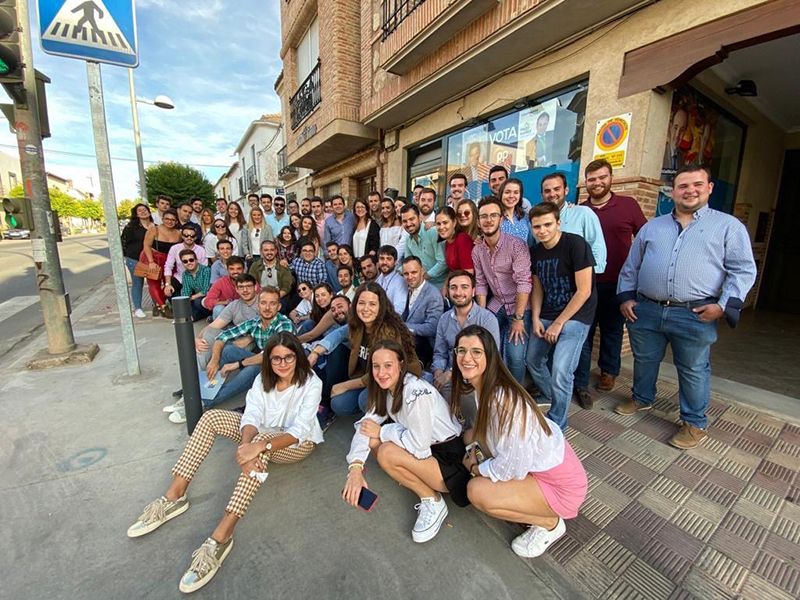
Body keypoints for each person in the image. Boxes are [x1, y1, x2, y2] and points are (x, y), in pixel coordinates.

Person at [128, 333, 323, 593]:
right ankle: (175, 496)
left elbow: (299, 430)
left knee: (262, 443)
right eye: (276, 358)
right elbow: (251, 414)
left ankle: (222, 535)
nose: (283, 363)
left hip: (297, 444)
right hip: (259, 436)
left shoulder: (311, 382)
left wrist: (257, 447)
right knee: (211, 419)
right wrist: (245, 446)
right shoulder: (262, 380)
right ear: (269, 360)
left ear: (298, 357)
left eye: (289, 357)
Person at [616, 164, 756, 449]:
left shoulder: (728, 226)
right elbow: (632, 265)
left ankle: (694, 423)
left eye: (697, 185)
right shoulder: (652, 227)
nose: (690, 191)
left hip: (695, 313)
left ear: (709, 188)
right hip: (648, 308)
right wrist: (626, 297)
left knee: (693, 368)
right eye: (683, 186)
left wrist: (723, 305)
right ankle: (642, 399)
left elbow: (742, 270)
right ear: (673, 191)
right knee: (644, 359)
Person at [451, 325, 587, 558]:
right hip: (538, 469)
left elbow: (512, 466)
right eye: (461, 351)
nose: (467, 358)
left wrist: (476, 467)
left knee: (477, 492)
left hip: (561, 487)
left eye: (476, 352)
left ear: (490, 356)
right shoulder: (485, 388)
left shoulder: (502, 400)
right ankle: (527, 502)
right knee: (470, 436)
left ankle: (550, 524)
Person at [343, 340, 466, 543]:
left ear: (400, 365)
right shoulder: (385, 389)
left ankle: (432, 501)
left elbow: (419, 447)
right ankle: (415, 479)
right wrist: (355, 469)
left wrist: (383, 431)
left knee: (386, 451)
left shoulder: (416, 391)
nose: (381, 372)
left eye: (388, 365)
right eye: (376, 366)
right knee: (374, 441)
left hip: (450, 459)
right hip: (429, 452)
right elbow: (364, 426)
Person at [574, 159, 646, 403]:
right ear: (586, 183)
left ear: (611, 178)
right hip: (586, 282)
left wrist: (637, 277)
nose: (597, 183)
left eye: (602, 177)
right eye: (592, 179)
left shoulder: (628, 205)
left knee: (612, 329)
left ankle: (608, 371)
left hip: (618, 281)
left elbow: (645, 239)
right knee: (585, 329)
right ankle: (580, 375)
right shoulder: (581, 211)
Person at [525, 203, 597, 430]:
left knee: (561, 371)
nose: (542, 230)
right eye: (537, 226)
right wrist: (536, 318)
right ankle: (552, 396)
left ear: (558, 223)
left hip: (577, 316)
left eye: (547, 224)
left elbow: (584, 291)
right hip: (547, 312)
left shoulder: (575, 244)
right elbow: (537, 288)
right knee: (533, 360)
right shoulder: (535, 252)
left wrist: (558, 323)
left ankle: (558, 423)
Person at [307, 282, 421, 415]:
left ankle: (385, 417)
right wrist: (315, 352)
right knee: (339, 403)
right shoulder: (358, 324)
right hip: (365, 375)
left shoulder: (388, 332)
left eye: (372, 304)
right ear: (355, 305)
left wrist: (345, 385)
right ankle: (365, 409)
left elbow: (383, 370)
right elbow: (337, 334)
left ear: (381, 307)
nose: (366, 308)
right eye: (361, 303)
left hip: (390, 377)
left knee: (364, 400)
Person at [472, 197, 532, 383]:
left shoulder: (516, 245)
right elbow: (481, 284)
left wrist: (519, 319)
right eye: (484, 216)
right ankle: (492, 386)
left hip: (520, 305)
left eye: (493, 215)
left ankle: (517, 394)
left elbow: (524, 282)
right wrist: (481, 315)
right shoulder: (478, 251)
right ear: (478, 221)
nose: (488, 220)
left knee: (515, 356)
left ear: (501, 219)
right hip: (496, 302)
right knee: (484, 343)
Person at [204, 287, 294, 407]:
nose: (267, 308)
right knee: (228, 350)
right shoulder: (255, 322)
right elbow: (222, 336)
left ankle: (205, 402)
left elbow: (272, 355)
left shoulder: (284, 325)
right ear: (258, 306)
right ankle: (203, 389)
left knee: (253, 369)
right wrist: (214, 361)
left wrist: (238, 364)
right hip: (263, 360)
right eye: (263, 303)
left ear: (279, 307)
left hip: (280, 369)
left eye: (272, 304)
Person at [432, 270, 500, 401]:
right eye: (453, 288)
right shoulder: (444, 319)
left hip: (478, 376)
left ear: (473, 291)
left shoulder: (487, 319)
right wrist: (438, 373)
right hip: (449, 380)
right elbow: (440, 353)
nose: (458, 293)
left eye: (464, 287)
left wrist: (450, 373)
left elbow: (491, 356)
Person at [540, 171, 606, 274]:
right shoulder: (537, 220)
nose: (552, 194)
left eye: (557, 189)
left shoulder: (583, 213)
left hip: (578, 281)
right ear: (542, 194)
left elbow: (597, 246)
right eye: (547, 191)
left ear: (566, 190)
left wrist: (588, 276)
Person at [400, 256, 444, 367]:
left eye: (414, 272)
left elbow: (432, 328)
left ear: (422, 270)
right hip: (407, 340)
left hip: (424, 345)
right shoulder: (407, 289)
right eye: (406, 274)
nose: (410, 277)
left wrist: (403, 327)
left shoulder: (433, 294)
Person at [141, 208, 181, 318]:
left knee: (169, 282)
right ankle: (163, 306)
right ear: (162, 219)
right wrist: (150, 262)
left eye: (173, 219)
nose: (169, 221)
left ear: (176, 221)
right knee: (154, 283)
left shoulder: (178, 233)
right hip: (152, 257)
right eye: (167, 219)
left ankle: (159, 303)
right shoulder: (154, 230)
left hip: (168, 259)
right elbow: (146, 245)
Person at [401, 204, 447, 289]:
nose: (408, 224)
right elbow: (409, 263)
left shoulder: (432, 232)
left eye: (411, 219)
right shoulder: (408, 239)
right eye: (404, 221)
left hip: (440, 286)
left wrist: (424, 276)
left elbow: (443, 262)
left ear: (419, 217)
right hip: (422, 286)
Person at [121, 202, 154, 318]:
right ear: (136, 214)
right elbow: (123, 242)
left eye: (145, 209)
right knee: (137, 283)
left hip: (150, 259)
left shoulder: (154, 226)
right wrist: (126, 256)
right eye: (139, 210)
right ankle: (138, 308)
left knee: (153, 282)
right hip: (135, 259)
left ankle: (157, 305)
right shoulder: (131, 227)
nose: (143, 212)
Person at [163, 225, 208, 299]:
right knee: (169, 291)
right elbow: (168, 266)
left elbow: (204, 269)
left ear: (195, 237)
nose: (189, 238)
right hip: (180, 277)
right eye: (186, 235)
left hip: (196, 279)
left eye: (192, 236)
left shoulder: (201, 250)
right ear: (182, 236)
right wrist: (168, 284)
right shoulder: (175, 248)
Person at [248, 240, 294, 308]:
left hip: (279, 296)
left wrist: (274, 297)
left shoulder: (283, 266)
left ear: (276, 251)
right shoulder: (255, 266)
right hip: (260, 296)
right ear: (261, 251)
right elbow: (251, 283)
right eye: (266, 250)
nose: (269, 252)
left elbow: (287, 287)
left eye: (272, 250)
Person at [175, 249, 212, 321]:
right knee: (184, 304)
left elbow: (206, 290)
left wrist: (191, 298)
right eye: (185, 261)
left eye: (191, 260)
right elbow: (186, 291)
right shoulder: (185, 274)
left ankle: (209, 315)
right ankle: (193, 316)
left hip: (209, 297)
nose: (189, 263)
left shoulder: (206, 270)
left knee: (197, 302)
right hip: (196, 297)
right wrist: (185, 300)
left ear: (196, 260)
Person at [436, 206, 474, 273]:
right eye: (438, 224)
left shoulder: (462, 239)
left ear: (454, 222)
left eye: (445, 223)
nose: (441, 227)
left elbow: (469, 273)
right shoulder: (447, 242)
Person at [376, 245, 408, 315]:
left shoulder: (400, 282)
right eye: (382, 258)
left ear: (395, 262)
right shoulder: (378, 279)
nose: (385, 262)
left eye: (389, 259)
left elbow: (398, 311)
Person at [498, 178, 531, 245]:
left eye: (516, 192)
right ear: (501, 194)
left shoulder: (525, 217)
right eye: (507, 192)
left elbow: (530, 242)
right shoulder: (495, 218)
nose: (511, 196)